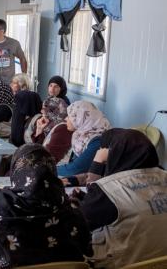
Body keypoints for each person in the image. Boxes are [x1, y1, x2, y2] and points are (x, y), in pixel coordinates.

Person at [74, 128, 167, 268]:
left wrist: (98, 162)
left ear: (114, 154)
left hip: (126, 263)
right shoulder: (164, 175)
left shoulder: (108, 188)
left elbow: (79, 224)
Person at [57, 101, 111, 177]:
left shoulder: (97, 141)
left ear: (81, 118)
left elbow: (75, 169)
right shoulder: (81, 135)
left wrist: (51, 169)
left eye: (70, 116)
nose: (66, 119)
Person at [30, 97, 72, 163]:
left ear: (56, 111)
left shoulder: (63, 130)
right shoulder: (48, 125)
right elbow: (36, 147)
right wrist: (39, 131)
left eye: (46, 109)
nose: (41, 111)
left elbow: (49, 159)